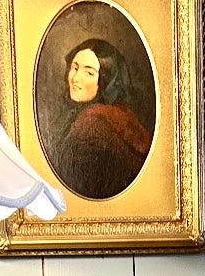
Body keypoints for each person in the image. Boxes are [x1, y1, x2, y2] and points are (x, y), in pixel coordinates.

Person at [46, 37, 153, 199]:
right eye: (74, 68)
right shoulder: (119, 113)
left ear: (106, 81)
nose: (75, 79)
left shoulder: (91, 123)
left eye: (89, 72)